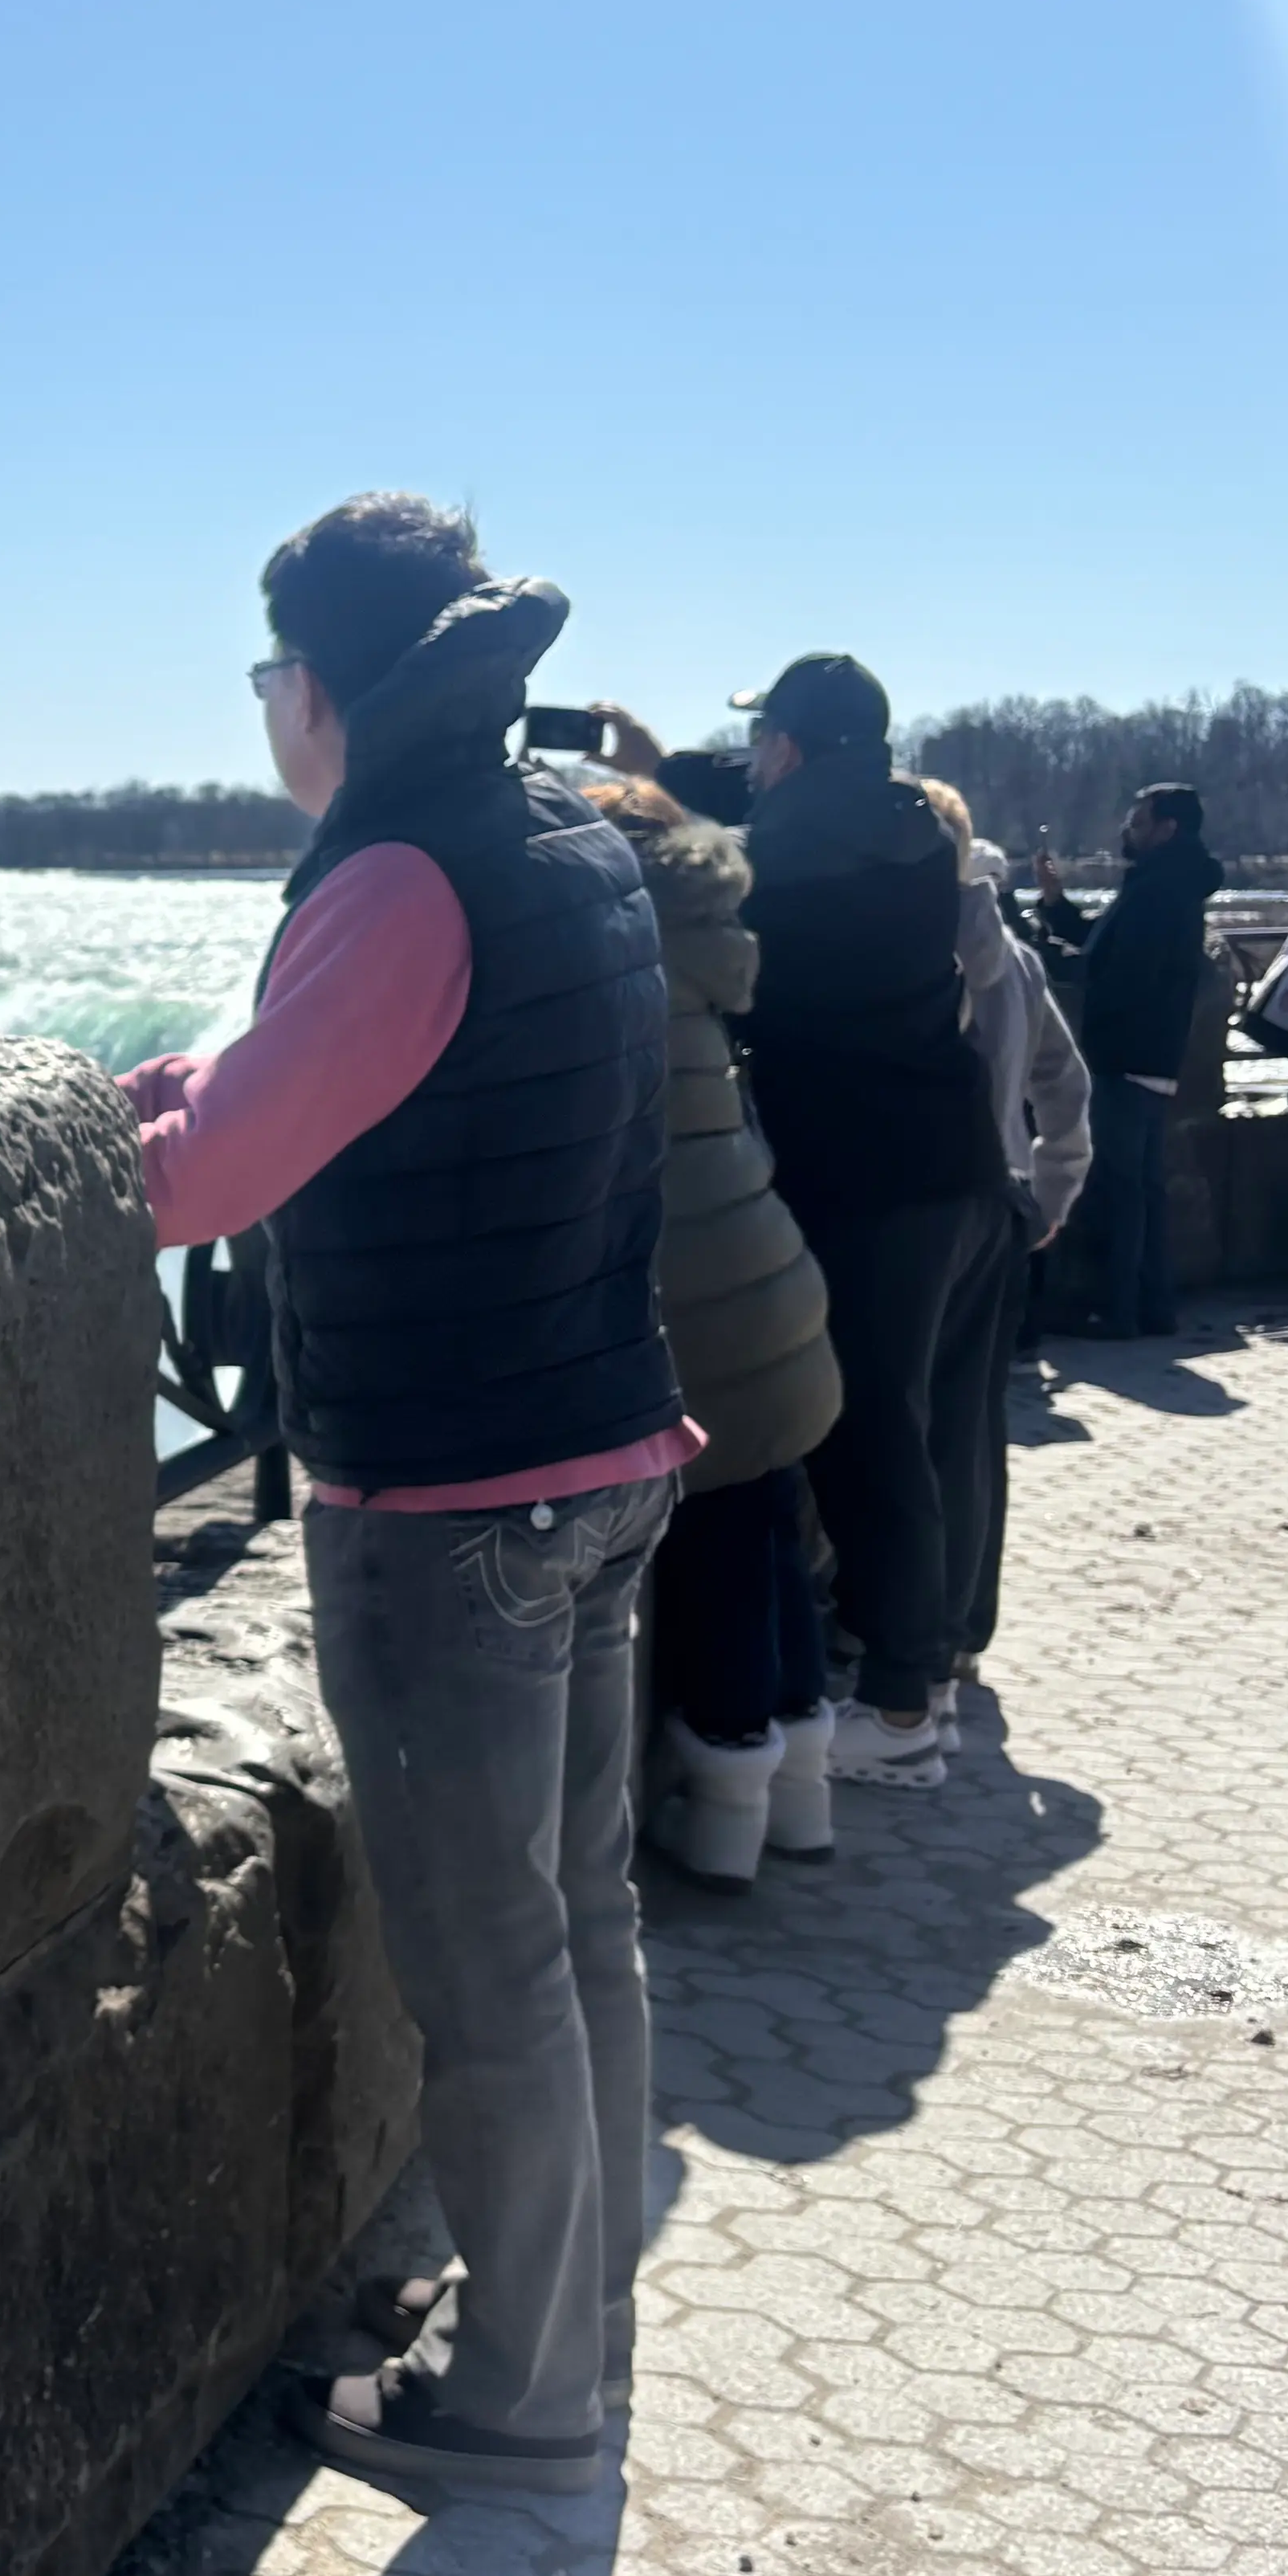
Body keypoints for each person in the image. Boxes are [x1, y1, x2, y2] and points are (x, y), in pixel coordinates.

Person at [115, 492, 690, 2497]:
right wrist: (204, 1075)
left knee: (493, 1967)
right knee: (584, 1929)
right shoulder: (557, 835)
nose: (265, 707)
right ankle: (572, 2320)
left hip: (457, 1499)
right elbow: (372, 1077)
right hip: (609, 1447)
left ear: (324, 687)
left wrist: (131, 1127)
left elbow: (201, 1188)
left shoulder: (396, 879)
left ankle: (521, 2400)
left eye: (269, 675)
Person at [734, 655, 1010, 1790]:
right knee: (946, 1428)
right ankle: (931, 1677)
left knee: (867, 1437)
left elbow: (731, 906)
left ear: (790, 749)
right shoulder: (918, 836)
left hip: (863, 1181)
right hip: (965, 1166)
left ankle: (897, 1715)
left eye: (761, 743)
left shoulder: (778, 852)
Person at [581, 777, 842, 1890]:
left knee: (720, 1548)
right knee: (771, 1522)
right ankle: (803, 1792)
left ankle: (730, 1800)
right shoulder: (699, 945)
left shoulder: (608, 947)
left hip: (699, 1307)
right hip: (766, 1281)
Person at [923, 789, 1091, 1684]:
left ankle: (908, 1627)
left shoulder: (914, 956)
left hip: (926, 1210)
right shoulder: (1018, 958)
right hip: (1004, 1206)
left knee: (910, 1423)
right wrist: (1054, 1189)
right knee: (975, 1427)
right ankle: (964, 1623)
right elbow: (1065, 1081)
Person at [1057, 784, 1226, 1337]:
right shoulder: (1168, 886)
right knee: (1144, 1185)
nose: (1127, 832)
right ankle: (1154, 1305)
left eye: (1137, 822)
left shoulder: (1157, 892)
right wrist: (1057, 908)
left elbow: (1121, 971)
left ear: (1166, 828)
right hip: (1156, 1053)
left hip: (1128, 1051)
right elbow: (1109, 946)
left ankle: (1120, 1308)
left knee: (1122, 1187)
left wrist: (1060, 964)